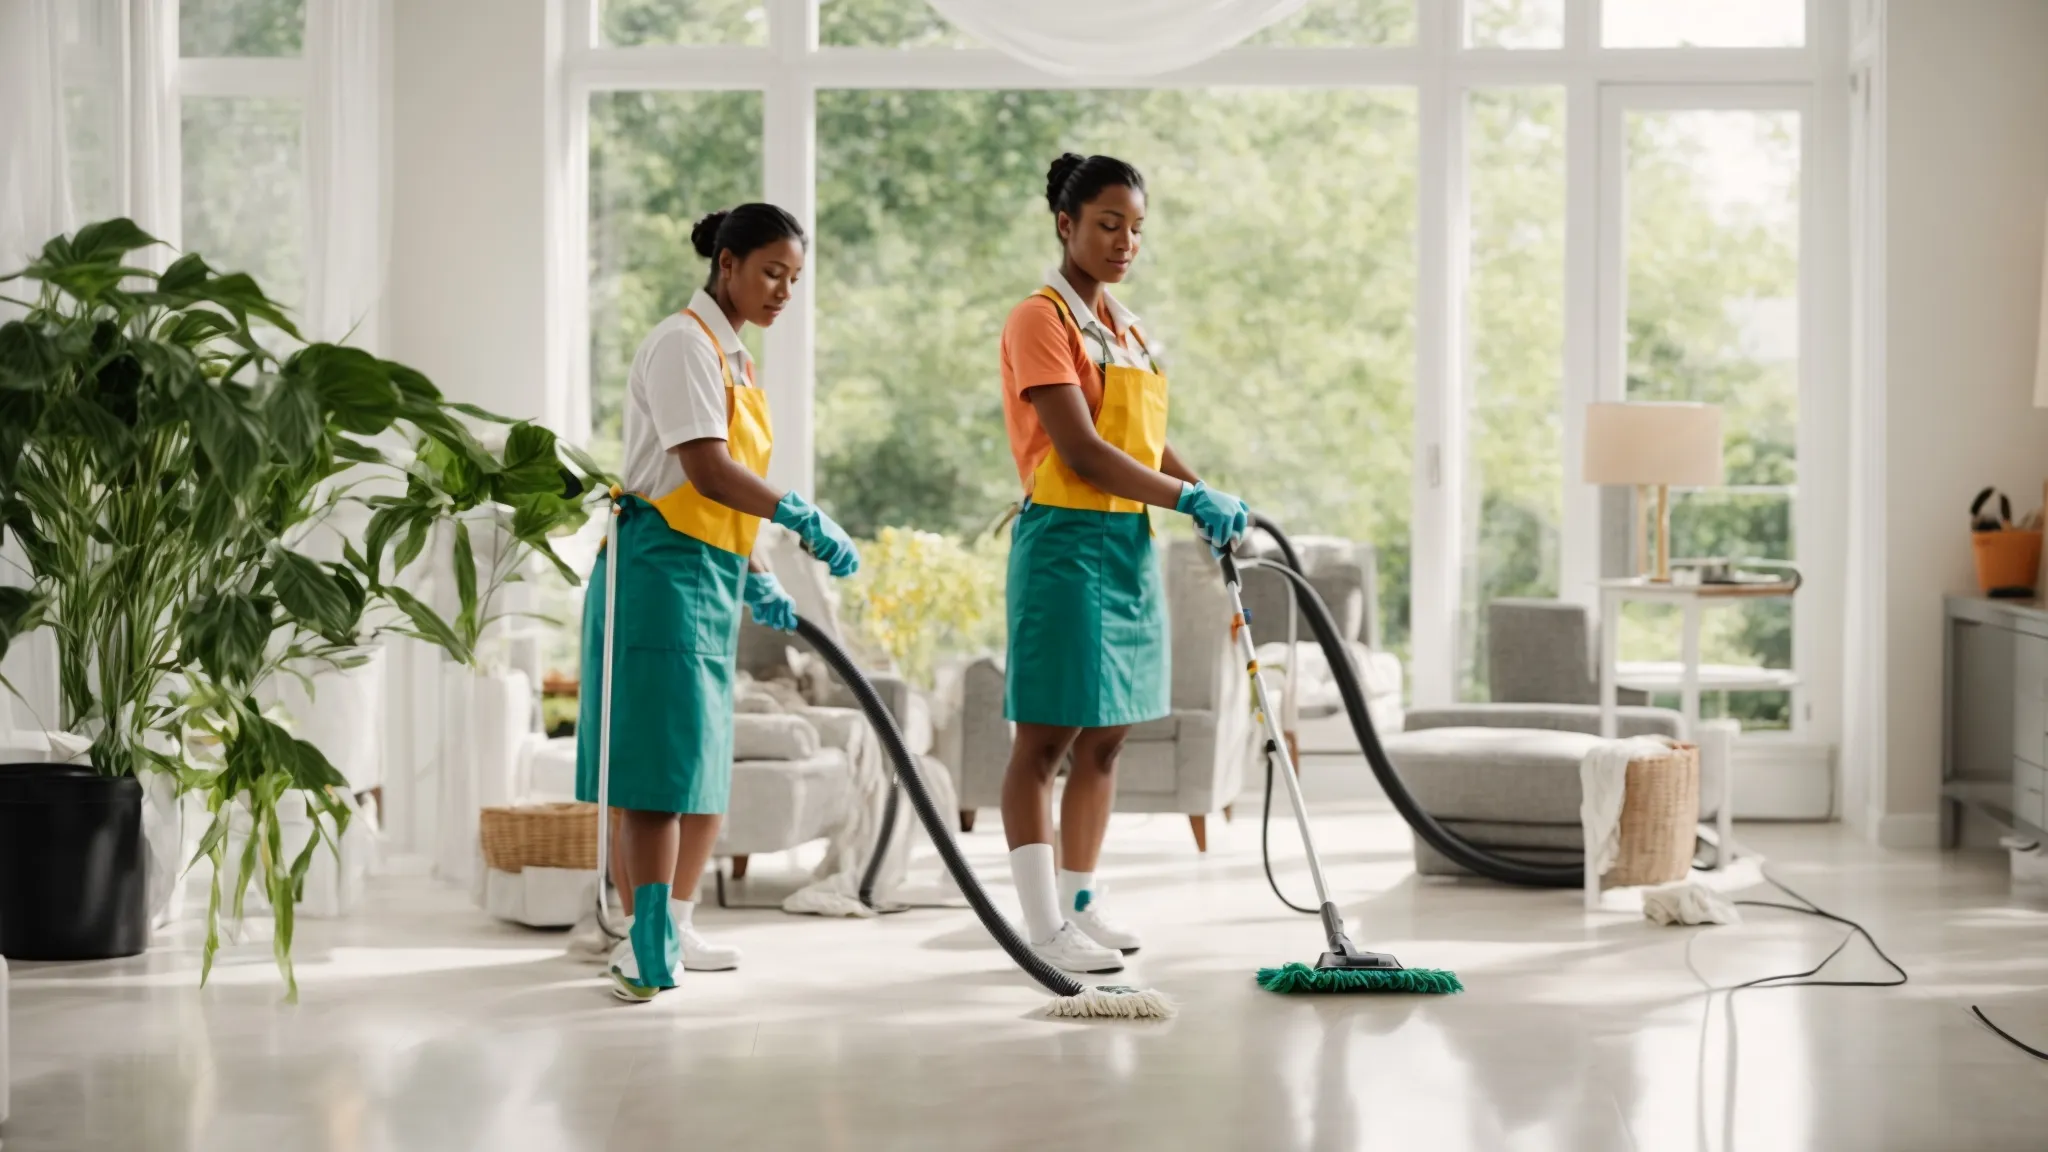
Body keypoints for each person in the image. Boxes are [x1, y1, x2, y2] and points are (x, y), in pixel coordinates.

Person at [576, 203, 860, 1002]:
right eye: (772, 272)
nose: (783, 291)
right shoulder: (681, 346)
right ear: (726, 263)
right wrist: (798, 514)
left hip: (707, 574)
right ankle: (641, 939)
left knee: (701, 764)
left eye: (794, 279)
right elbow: (704, 469)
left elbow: (726, 504)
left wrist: (756, 572)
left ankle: (678, 922)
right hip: (657, 575)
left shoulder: (735, 360)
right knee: (660, 772)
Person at [996, 153, 1250, 974]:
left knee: (1107, 739)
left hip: (1126, 545)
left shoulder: (1127, 328)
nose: (1124, 241)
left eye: (1136, 227)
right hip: (1066, 543)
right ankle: (1040, 926)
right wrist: (1189, 504)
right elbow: (1085, 449)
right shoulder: (1041, 320)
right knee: (1045, 738)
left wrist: (1204, 491)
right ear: (1066, 224)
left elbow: (1143, 444)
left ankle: (1079, 902)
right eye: (1108, 224)